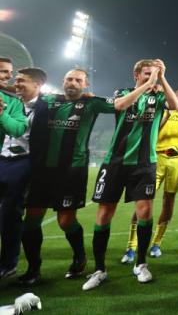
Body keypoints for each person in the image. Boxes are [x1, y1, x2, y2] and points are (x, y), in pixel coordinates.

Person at [19, 68, 152, 285]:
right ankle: (33, 269)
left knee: (65, 220)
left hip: (72, 170)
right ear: (62, 81)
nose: (72, 83)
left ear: (85, 85)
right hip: (42, 170)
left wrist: (148, 84)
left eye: (78, 80)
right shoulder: (47, 99)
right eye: (69, 79)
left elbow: (120, 104)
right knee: (31, 220)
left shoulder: (92, 103)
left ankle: (79, 256)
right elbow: (22, 92)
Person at [83, 59, 178, 290]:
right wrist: (147, 84)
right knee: (105, 213)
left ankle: (141, 264)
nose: (151, 77)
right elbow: (119, 106)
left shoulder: (158, 97)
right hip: (115, 162)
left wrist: (162, 78)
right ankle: (99, 269)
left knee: (145, 212)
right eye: (147, 73)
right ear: (136, 74)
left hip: (145, 164)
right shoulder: (124, 92)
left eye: (154, 73)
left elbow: (175, 105)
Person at [121, 86, 178, 262]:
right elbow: (152, 131)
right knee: (143, 202)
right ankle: (131, 247)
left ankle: (156, 243)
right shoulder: (160, 112)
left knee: (168, 202)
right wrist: (168, 116)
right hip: (157, 158)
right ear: (174, 96)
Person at [0, 66, 43, 280]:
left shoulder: (47, 105)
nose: (16, 84)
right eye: (15, 80)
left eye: (21, 81)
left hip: (22, 162)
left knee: (9, 215)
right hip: (1, 158)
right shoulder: (8, 100)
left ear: (37, 85)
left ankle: (8, 263)